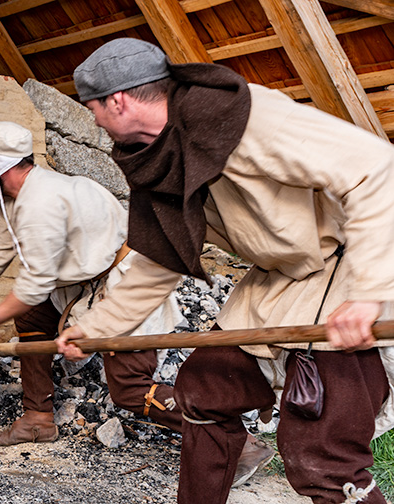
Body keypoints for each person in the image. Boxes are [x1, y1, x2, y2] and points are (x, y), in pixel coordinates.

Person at [57, 38, 394, 504]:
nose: (92, 118)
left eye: (92, 106)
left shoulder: (248, 116)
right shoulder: (158, 159)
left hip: (347, 270)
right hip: (276, 281)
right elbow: (164, 258)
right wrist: (95, 329)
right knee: (204, 389)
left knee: (322, 451)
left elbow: (377, 168)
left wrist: (370, 292)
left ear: (118, 100)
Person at [0, 121, 189, 447]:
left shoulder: (39, 205)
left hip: (125, 287)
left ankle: (231, 438)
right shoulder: (16, 199)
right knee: (32, 316)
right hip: (80, 286)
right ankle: (38, 421)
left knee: (129, 387)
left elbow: (35, 286)